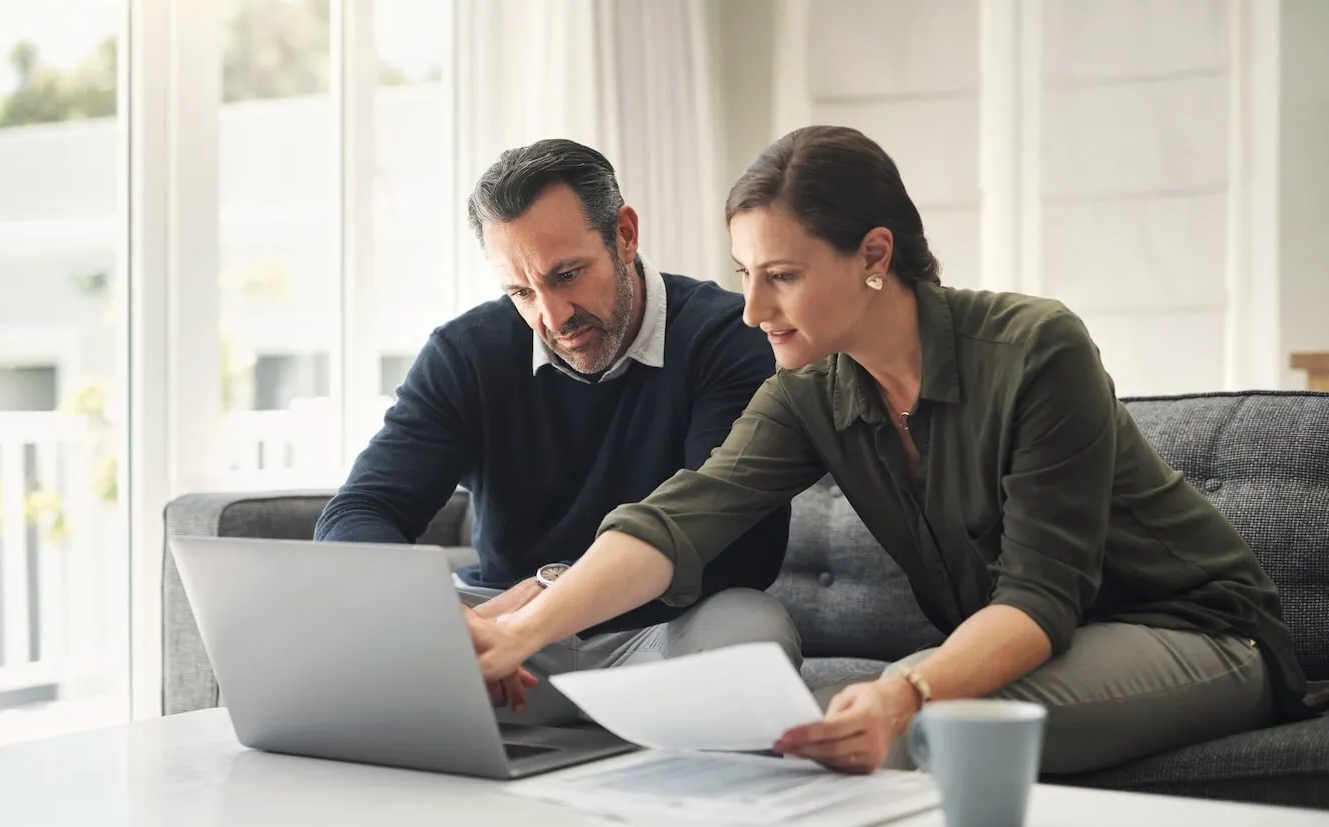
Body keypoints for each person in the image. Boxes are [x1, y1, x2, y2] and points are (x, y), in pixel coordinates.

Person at [464, 124, 1318, 775]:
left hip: (1199, 634)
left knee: (922, 725)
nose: (754, 310)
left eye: (783, 276)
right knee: (804, 725)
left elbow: (1040, 599)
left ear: (875, 254)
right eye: (744, 276)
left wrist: (907, 689)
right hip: (1042, 640)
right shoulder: (813, 387)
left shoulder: (1034, 348)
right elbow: (680, 518)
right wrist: (522, 628)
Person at [314, 137, 798, 724]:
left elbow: (736, 546)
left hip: (656, 638)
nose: (552, 317)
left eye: (567, 275)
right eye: (521, 292)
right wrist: (443, 621)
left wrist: (551, 594)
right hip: (506, 636)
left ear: (625, 233)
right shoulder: (467, 353)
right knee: (336, 621)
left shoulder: (726, 337)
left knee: (755, 630)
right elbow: (360, 510)